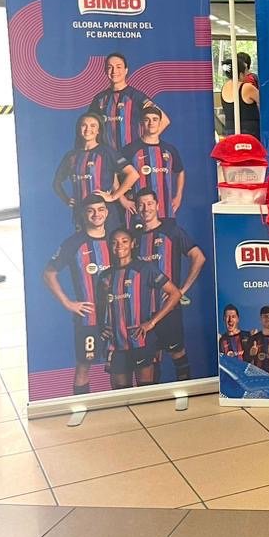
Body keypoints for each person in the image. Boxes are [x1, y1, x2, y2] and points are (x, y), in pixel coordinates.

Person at [43, 192, 112, 395]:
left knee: (124, 365)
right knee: (84, 366)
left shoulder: (119, 239)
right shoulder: (73, 243)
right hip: (88, 320)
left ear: (107, 212)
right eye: (90, 211)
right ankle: (82, 406)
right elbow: (48, 273)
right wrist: (68, 303)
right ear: (83, 214)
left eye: (100, 210)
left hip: (118, 316)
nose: (96, 214)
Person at [133, 189, 205, 381]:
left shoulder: (172, 231)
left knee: (177, 353)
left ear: (157, 205)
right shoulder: (133, 237)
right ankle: (153, 405)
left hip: (169, 307)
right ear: (137, 209)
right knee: (149, 359)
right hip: (143, 312)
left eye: (149, 203)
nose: (145, 208)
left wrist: (181, 291)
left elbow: (199, 257)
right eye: (141, 204)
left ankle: (186, 396)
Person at [96, 227, 181, 389]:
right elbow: (101, 307)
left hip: (140, 340)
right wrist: (102, 327)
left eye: (124, 241)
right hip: (116, 344)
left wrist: (152, 322)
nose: (119, 246)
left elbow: (175, 294)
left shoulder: (145, 269)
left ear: (133, 244)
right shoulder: (105, 276)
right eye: (114, 243)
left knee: (146, 392)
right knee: (121, 396)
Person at [52, 111, 138, 222]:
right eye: (84, 125)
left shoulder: (106, 151)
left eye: (93, 126)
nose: (88, 129)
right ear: (79, 129)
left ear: (98, 131)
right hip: (81, 213)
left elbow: (133, 174)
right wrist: (66, 199)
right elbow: (56, 183)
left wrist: (113, 197)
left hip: (105, 213)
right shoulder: (71, 156)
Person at [89, 51, 168, 152]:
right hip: (108, 159)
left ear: (126, 70)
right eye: (110, 67)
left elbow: (164, 120)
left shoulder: (136, 96)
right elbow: (89, 125)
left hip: (132, 157)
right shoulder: (99, 99)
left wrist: (144, 143)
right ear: (105, 71)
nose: (114, 71)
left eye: (118, 67)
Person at [122, 107, 184, 221]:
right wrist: (122, 199)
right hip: (138, 213)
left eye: (155, 119)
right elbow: (113, 173)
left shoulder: (169, 149)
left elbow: (180, 171)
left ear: (160, 123)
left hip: (166, 211)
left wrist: (178, 196)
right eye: (147, 119)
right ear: (141, 123)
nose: (151, 123)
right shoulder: (129, 150)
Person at [221, 54, 260, 138]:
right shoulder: (247, 87)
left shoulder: (224, 88)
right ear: (241, 74)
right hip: (249, 132)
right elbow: (264, 102)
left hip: (230, 130)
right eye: (245, 72)